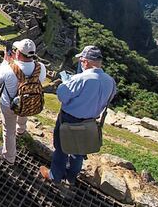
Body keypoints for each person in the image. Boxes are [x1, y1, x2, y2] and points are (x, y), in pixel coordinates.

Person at [39, 46, 116, 185]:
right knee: (79, 151)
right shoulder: (110, 81)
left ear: (86, 62)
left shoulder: (81, 78)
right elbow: (108, 99)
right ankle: (71, 178)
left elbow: (62, 96)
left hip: (69, 119)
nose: (80, 62)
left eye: (81, 60)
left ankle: (55, 176)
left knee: (62, 148)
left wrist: (66, 83)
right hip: (90, 122)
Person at [0, 39, 46, 164]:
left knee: (8, 131)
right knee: (24, 109)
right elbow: (41, 81)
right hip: (29, 101)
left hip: (9, 105)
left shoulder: (9, 68)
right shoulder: (40, 67)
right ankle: (21, 130)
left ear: (18, 54)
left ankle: (9, 156)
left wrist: (5, 62)